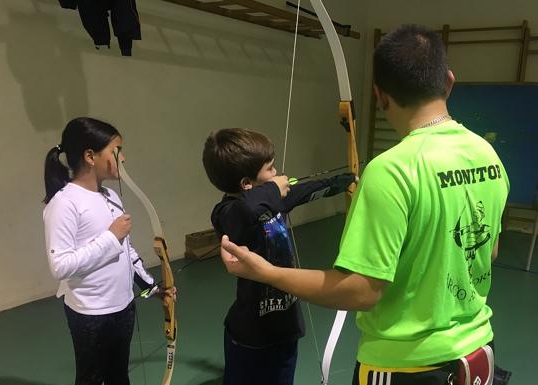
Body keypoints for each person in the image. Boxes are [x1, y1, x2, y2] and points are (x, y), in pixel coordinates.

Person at [219, 24, 511, 385]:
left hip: (407, 367)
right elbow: (490, 250)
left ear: (380, 95)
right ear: (448, 82)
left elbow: (360, 291)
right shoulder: (487, 154)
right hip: (479, 354)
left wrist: (265, 273)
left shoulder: (392, 170)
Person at [202, 127, 356, 385]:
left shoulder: (270, 200)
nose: (277, 174)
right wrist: (273, 189)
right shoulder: (226, 213)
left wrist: (339, 183)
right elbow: (246, 211)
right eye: (270, 169)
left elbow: (303, 192)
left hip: (285, 324)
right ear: (246, 184)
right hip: (250, 333)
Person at [43, 117, 173, 385]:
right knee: (91, 379)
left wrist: (152, 289)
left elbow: (127, 252)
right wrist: (111, 237)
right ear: (90, 156)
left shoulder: (111, 196)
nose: (122, 158)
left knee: (118, 377)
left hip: (124, 307)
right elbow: (61, 266)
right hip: (90, 314)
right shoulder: (64, 203)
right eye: (116, 151)